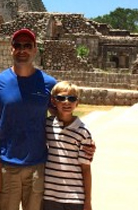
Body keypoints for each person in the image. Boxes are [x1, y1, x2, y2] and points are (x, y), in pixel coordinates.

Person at [0, 28, 95, 210]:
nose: (22, 50)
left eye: (28, 46)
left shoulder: (48, 83)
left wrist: (84, 139)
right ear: (11, 49)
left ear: (35, 49)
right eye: (18, 45)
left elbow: (61, 114)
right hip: (6, 163)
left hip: (37, 165)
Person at [43, 81, 93, 210]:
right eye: (61, 98)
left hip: (74, 197)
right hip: (49, 195)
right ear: (54, 102)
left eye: (71, 98)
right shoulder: (46, 125)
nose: (66, 102)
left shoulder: (83, 132)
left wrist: (88, 201)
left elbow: (86, 169)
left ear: (77, 103)